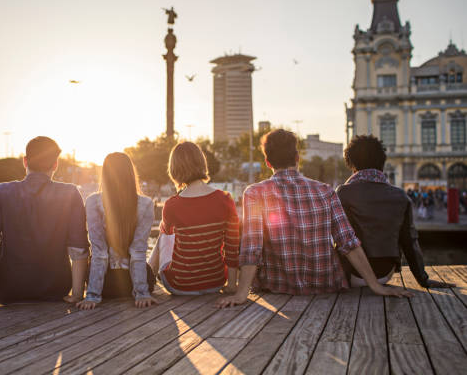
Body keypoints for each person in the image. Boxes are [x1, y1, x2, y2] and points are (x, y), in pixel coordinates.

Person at [217, 129, 412, 308]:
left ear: (268, 162)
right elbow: (348, 242)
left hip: (278, 286)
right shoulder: (325, 191)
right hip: (326, 285)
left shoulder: (254, 193)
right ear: (297, 158)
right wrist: (376, 286)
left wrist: (242, 294)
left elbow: (252, 247)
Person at [0, 136, 89, 311]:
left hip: (9, 292)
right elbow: (79, 249)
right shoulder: (70, 193)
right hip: (56, 289)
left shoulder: (1, 192)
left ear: (25, 161)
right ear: (55, 165)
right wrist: (77, 293)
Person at [336, 135, 453, 288]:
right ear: (382, 162)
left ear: (352, 164)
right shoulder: (400, 195)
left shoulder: (344, 193)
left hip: (352, 274)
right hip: (385, 274)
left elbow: (341, 238)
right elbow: (409, 241)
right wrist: (423, 279)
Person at [149, 141, 240, 296]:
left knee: (163, 236)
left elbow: (166, 244)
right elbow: (231, 248)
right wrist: (231, 285)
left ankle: (146, 277)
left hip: (179, 285)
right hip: (215, 282)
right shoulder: (225, 199)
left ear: (174, 170)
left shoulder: (171, 205)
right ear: (202, 164)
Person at [77, 153, 156, 310]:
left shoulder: (93, 202)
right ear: (130, 173)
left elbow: (99, 251)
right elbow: (138, 251)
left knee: (98, 253)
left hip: (106, 284)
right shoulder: (146, 204)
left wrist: (92, 295)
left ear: (104, 175)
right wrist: (142, 293)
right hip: (135, 282)